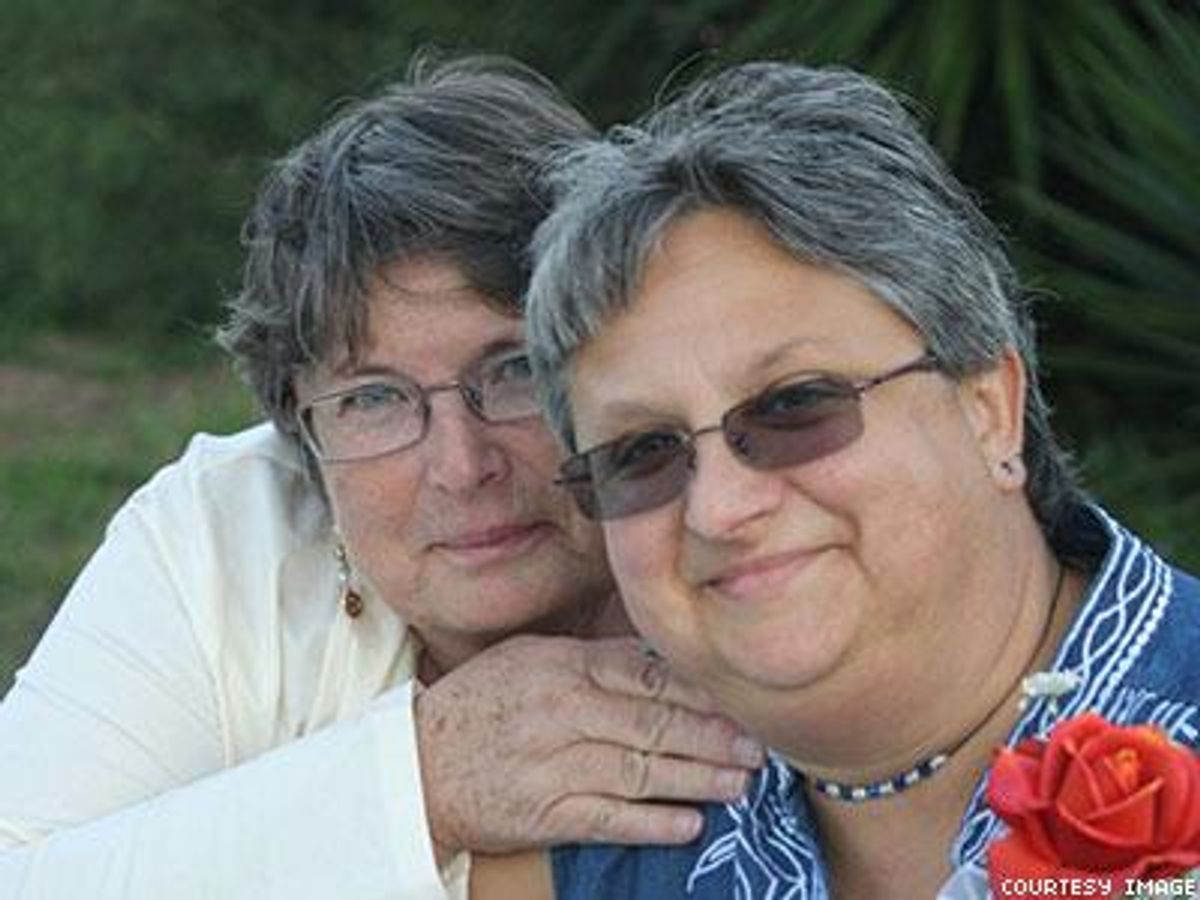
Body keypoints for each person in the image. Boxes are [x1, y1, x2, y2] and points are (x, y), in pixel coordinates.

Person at [0, 56, 765, 900]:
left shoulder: (745, 516)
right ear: (300, 430)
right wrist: (424, 782)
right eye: (373, 398)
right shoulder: (221, 534)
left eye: (514, 369)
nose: (462, 466)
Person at [493, 61, 1200, 899]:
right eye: (642, 452)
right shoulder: (575, 851)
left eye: (794, 404)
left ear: (990, 409)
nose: (719, 508)